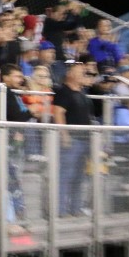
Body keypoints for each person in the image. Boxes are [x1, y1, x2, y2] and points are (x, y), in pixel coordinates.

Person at [52, 63, 94, 216]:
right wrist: (64, 135)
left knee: (79, 176)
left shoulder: (82, 93)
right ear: (70, 74)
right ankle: (60, 209)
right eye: (81, 72)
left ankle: (75, 208)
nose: (84, 74)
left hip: (84, 140)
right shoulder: (63, 92)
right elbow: (58, 113)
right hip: (72, 140)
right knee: (65, 175)